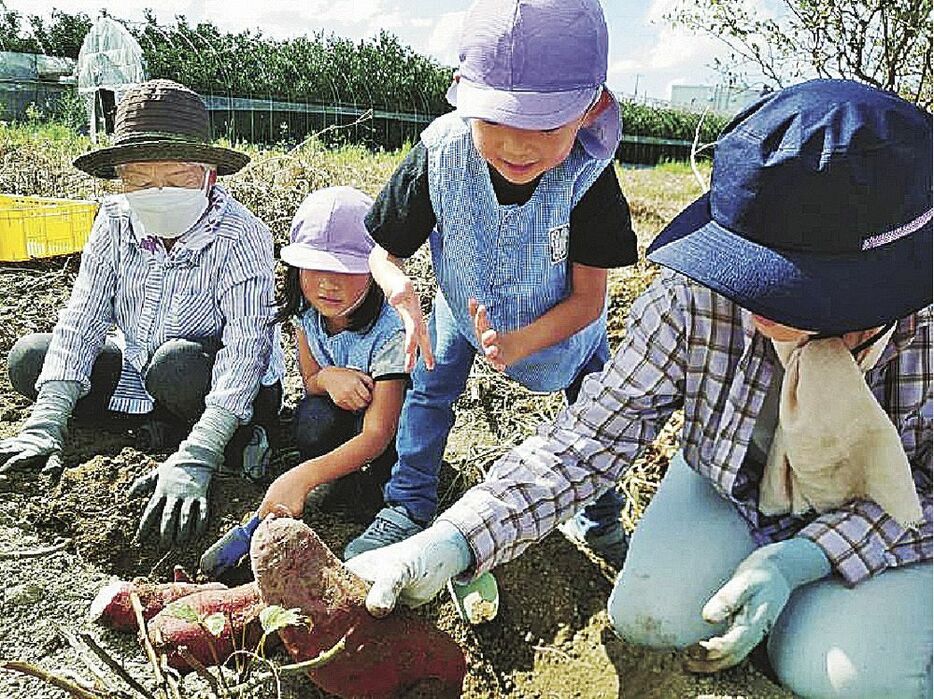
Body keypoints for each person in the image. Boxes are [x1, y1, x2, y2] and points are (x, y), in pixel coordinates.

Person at [344, 79, 933, 698]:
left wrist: (810, 557)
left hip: (889, 519)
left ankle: (819, 620)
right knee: (649, 617)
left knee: (848, 677)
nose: (753, 306)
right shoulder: (696, 296)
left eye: (784, 286)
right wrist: (454, 541)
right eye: (747, 271)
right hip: (729, 488)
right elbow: (592, 437)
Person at [344, 0, 638, 568]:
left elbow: (589, 300)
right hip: (464, 302)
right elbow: (384, 252)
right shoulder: (440, 155)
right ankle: (407, 504)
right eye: (496, 119)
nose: (517, 145)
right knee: (428, 391)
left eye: (547, 125)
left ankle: (599, 519)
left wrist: (521, 343)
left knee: (596, 421)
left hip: (563, 327)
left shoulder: (591, 179)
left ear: (589, 110)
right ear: (464, 100)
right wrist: (401, 293)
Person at [0, 79, 286, 548]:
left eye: (176, 179)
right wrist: (45, 422)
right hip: (140, 368)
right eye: (140, 180)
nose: (158, 192)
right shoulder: (112, 220)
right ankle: (148, 425)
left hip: (212, 378)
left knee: (174, 366)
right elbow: (84, 317)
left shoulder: (241, 234)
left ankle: (229, 437)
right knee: (30, 358)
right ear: (122, 178)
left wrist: (199, 454)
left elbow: (246, 349)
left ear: (208, 175)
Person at [259, 186, 408, 521]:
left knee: (394, 458)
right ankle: (340, 478)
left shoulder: (390, 330)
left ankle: (377, 491)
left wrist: (303, 477)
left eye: (346, 270)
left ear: (375, 271)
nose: (328, 284)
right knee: (312, 421)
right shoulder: (307, 314)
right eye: (314, 268)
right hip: (343, 418)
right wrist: (328, 377)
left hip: (387, 427)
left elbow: (378, 432)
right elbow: (310, 380)